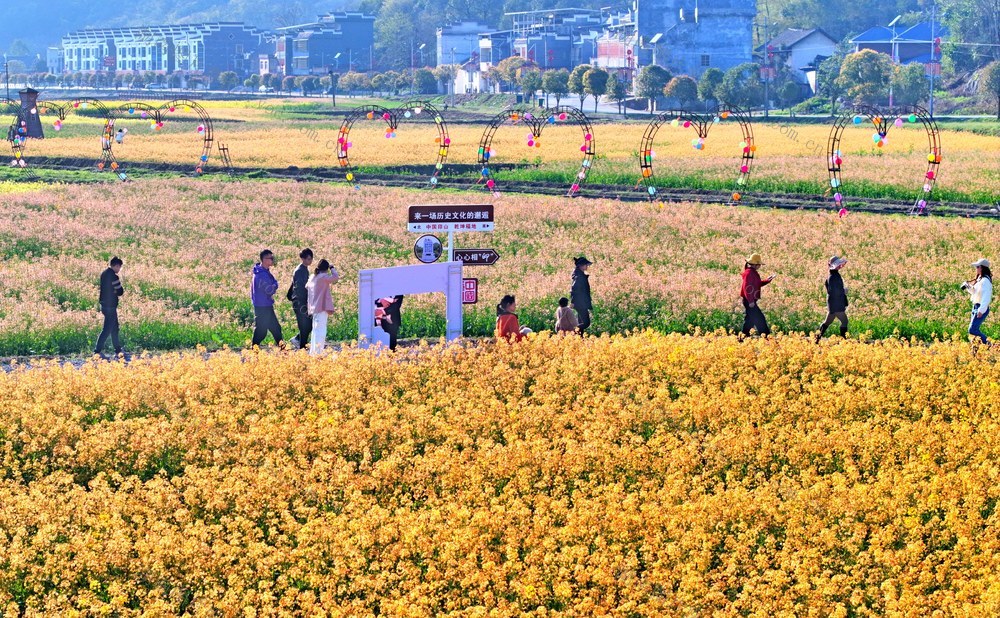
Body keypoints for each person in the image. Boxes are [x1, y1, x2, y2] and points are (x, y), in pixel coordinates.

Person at [251, 249, 284, 348]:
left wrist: (274, 284)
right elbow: (269, 289)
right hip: (262, 306)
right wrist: (275, 285)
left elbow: (273, 283)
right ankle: (254, 349)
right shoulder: (261, 275)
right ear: (264, 259)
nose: (272, 260)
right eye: (271, 258)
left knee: (275, 328)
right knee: (261, 331)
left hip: (266, 304)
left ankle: (283, 350)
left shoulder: (264, 271)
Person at [306, 259, 339, 355]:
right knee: (321, 330)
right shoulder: (323, 277)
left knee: (315, 331)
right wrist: (332, 268)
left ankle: (313, 352)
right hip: (321, 307)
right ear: (326, 268)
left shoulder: (313, 277)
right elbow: (336, 277)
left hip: (314, 308)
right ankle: (318, 352)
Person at [95, 256, 125, 357]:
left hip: (104, 305)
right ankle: (97, 351)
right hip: (110, 306)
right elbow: (120, 291)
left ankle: (118, 349)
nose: (119, 269)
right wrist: (115, 291)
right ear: (116, 266)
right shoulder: (113, 276)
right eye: (119, 267)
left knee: (115, 328)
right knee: (107, 329)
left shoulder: (104, 273)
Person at [740, 252, 774, 336]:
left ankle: (742, 338)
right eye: (759, 264)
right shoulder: (749, 273)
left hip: (749, 300)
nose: (760, 266)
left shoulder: (752, 272)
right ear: (755, 264)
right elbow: (747, 288)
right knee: (760, 319)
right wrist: (751, 301)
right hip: (749, 301)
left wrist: (767, 281)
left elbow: (756, 284)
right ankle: (767, 337)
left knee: (749, 321)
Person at [817, 256, 849, 341]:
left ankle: (816, 339)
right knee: (844, 321)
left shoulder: (833, 275)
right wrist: (844, 291)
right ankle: (843, 340)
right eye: (838, 264)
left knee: (827, 322)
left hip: (833, 303)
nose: (839, 266)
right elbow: (834, 292)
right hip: (836, 304)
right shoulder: (833, 277)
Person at [963, 258, 993, 345]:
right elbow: (975, 292)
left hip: (980, 308)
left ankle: (990, 345)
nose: (976, 268)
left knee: (972, 330)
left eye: (977, 267)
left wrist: (981, 310)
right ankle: (975, 352)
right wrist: (968, 286)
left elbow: (986, 297)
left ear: (982, 268)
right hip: (976, 306)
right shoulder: (980, 279)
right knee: (973, 333)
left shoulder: (985, 281)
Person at [289, 248, 314, 349]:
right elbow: (299, 288)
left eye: (311, 259)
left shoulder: (304, 269)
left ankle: (298, 340)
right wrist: (306, 301)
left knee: (308, 325)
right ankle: (302, 346)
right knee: (305, 326)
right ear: (302, 258)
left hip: (302, 301)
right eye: (308, 259)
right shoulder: (300, 270)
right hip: (300, 302)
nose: (310, 261)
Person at [570, 256, 594, 335]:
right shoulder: (579, 277)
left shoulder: (579, 275)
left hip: (581, 302)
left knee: (581, 321)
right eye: (586, 265)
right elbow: (574, 289)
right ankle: (571, 332)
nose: (587, 266)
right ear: (580, 266)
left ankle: (579, 339)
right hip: (580, 303)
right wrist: (573, 301)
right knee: (586, 323)